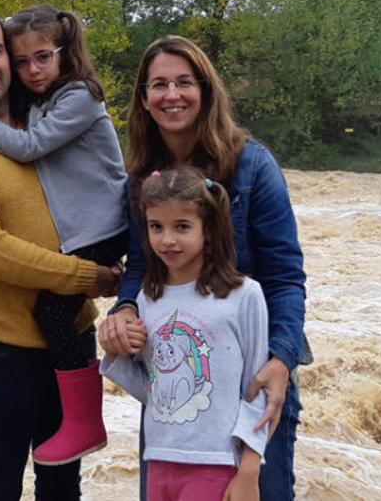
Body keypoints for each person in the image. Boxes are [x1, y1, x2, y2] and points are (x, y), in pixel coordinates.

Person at [0, 5, 122, 500]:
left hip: (71, 337)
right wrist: (85, 277)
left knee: (62, 486)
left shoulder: (43, 116)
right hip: (3, 354)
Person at [98, 35, 312, 500]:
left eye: (184, 82)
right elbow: (140, 267)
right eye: (159, 84)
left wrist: (281, 359)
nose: (171, 94)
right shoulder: (141, 178)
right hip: (181, 407)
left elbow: (284, 277)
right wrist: (126, 310)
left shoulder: (252, 166)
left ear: (206, 91)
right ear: (144, 98)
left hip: (255, 375)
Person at [100, 166, 268, 501]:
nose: (167, 239)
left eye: (182, 226)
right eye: (156, 227)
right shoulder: (147, 299)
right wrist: (115, 351)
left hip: (217, 463)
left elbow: (257, 387)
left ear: (208, 230)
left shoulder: (243, 296)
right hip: (159, 459)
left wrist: (250, 468)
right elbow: (157, 392)